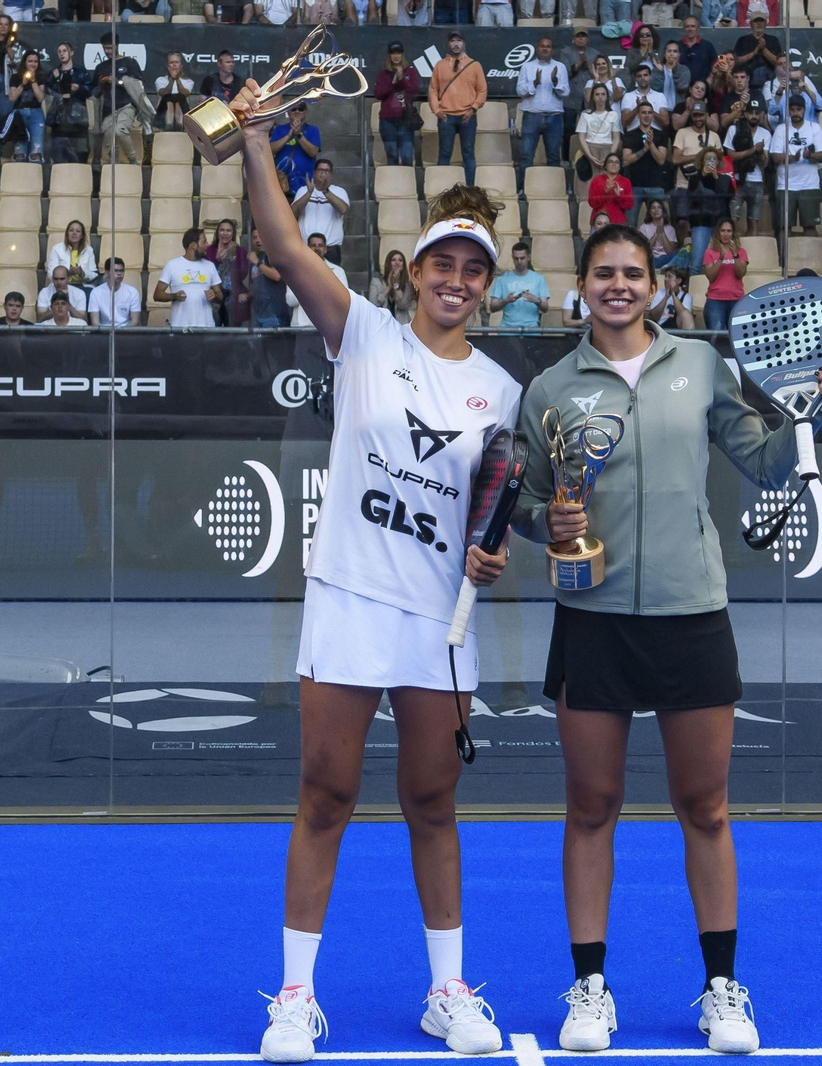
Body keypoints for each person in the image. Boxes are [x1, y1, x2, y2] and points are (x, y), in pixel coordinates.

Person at [228, 68, 522, 1063]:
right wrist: (256, 138)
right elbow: (281, 244)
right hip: (350, 601)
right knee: (326, 794)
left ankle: (447, 991)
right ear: (415, 269)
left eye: (472, 269)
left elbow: (494, 514)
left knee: (432, 803)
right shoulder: (363, 332)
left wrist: (491, 556)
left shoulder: (501, 392)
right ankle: (294, 997)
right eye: (443, 262)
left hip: (438, 622)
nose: (455, 279)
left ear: (487, 284)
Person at [510, 221, 822, 1056]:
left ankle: (721, 989)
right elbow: (524, 500)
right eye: (603, 273)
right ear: (581, 285)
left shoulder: (702, 365)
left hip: (692, 614)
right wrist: (546, 522)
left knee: (705, 807)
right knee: (591, 807)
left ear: (657, 285)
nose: (618, 286)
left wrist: (813, 409)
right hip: (592, 621)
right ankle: (591, 989)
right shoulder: (551, 388)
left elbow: (764, 460)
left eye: (632, 273)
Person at [430, 34, 484, 188]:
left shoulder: (474, 65)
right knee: (445, 152)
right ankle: (442, 188)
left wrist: (473, 109)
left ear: (464, 43)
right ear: (448, 43)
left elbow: (482, 90)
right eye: (452, 40)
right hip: (446, 117)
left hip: (467, 116)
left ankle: (470, 188)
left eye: (459, 40)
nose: (456, 44)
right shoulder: (440, 65)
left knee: (468, 153)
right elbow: (433, 89)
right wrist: (436, 110)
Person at [769, 96, 822, 241]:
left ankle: (810, 256)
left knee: (810, 226)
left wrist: (809, 155)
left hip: (810, 185)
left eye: (798, 109)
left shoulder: (814, 127)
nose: (795, 113)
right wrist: (792, 158)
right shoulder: (781, 129)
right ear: (788, 111)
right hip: (786, 185)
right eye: (792, 109)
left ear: (804, 110)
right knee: (784, 227)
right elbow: (775, 156)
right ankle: (782, 256)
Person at [92, 33, 147, 166]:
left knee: (120, 131)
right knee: (109, 137)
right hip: (108, 108)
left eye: (110, 48)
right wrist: (101, 84)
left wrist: (118, 82)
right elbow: (95, 92)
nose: (107, 51)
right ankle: (114, 165)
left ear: (117, 46)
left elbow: (139, 85)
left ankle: (133, 160)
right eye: (105, 48)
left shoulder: (129, 63)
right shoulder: (101, 67)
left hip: (127, 105)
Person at [153, 226, 224, 328]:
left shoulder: (210, 266)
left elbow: (220, 296)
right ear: (193, 245)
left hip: (206, 326)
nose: (207, 245)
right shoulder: (172, 265)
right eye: (204, 242)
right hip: (179, 326)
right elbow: (157, 295)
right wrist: (174, 296)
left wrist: (214, 296)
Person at [518, 38, 569, 173]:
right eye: (542, 46)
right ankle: (523, 185)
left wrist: (555, 81)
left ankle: (554, 186)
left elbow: (566, 92)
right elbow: (520, 90)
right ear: (537, 48)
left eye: (548, 46)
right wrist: (534, 83)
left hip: (554, 117)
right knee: (526, 156)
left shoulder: (560, 67)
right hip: (531, 116)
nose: (545, 48)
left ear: (552, 50)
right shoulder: (527, 67)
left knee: (553, 157)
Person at [622, 103, 672, 227]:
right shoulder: (630, 135)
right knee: (630, 225)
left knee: (658, 225)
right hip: (634, 185)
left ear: (653, 116)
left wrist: (651, 144)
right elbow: (626, 160)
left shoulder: (661, 135)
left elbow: (661, 160)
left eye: (650, 112)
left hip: (656, 185)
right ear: (638, 115)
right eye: (643, 112)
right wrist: (644, 150)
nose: (647, 115)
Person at [290, 160, 349, 266]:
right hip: (305, 247)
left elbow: (343, 209)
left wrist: (325, 191)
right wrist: (309, 193)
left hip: (330, 248)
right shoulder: (303, 190)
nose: (323, 174)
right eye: (320, 170)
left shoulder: (339, 191)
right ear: (314, 173)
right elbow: (293, 212)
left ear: (331, 175)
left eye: (327, 171)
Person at [683, 147, 732, 272]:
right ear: (702, 161)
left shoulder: (725, 179)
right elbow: (691, 198)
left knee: (724, 263)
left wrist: (716, 177)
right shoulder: (694, 179)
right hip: (701, 223)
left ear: (718, 162)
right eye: (708, 159)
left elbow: (726, 198)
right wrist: (702, 176)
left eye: (714, 159)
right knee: (696, 264)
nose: (711, 161)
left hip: (720, 224)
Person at [720, 110, 767, 237]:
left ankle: (752, 249)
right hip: (737, 179)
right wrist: (752, 150)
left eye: (757, 113)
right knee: (732, 219)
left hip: (757, 180)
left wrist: (760, 152)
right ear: (745, 114)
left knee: (753, 221)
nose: (754, 116)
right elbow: (730, 156)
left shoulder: (765, 133)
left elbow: (765, 163)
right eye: (751, 113)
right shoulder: (734, 129)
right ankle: (731, 246)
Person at [286, 233, 350, 327]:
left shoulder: (338, 272)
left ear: (325, 249)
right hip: (302, 327)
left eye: (320, 245)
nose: (317, 248)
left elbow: (344, 300)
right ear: (307, 249)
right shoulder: (296, 271)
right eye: (313, 245)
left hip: (329, 327)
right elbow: (290, 300)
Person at [375, 43, 421, 168]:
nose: (396, 56)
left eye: (398, 53)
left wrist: (402, 80)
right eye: (393, 53)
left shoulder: (410, 72)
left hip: (405, 119)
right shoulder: (383, 74)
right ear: (389, 55)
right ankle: (393, 179)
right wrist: (393, 82)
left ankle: (408, 179)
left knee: (407, 156)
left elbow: (414, 91)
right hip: (388, 120)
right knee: (392, 155)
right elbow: (378, 94)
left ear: (402, 54)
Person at [488, 240, 549, 330]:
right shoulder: (502, 279)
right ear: (512, 258)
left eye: (522, 258)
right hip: (507, 330)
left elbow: (545, 308)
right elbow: (492, 307)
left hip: (531, 330)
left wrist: (536, 301)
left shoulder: (539, 279)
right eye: (516, 258)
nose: (519, 261)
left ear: (529, 257)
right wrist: (506, 301)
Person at [701, 218, 746, 330]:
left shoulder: (741, 252)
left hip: (736, 300)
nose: (726, 234)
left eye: (729, 231)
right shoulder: (709, 252)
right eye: (723, 231)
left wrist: (735, 255)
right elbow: (711, 276)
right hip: (715, 300)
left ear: (733, 233)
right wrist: (721, 258)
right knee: (715, 337)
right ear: (718, 233)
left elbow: (741, 273)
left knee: (737, 336)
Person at [5, 50, 47, 162]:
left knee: (36, 154)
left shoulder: (41, 77)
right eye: (30, 61)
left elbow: (40, 97)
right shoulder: (15, 77)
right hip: (19, 114)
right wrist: (23, 84)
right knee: (20, 153)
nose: (33, 64)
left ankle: (36, 171)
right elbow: (12, 98)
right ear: (25, 62)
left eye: (35, 61)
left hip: (36, 114)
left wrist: (33, 81)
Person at [204, 217, 246, 327]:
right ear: (217, 232)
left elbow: (243, 274)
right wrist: (217, 258)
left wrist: (233, 257)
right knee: (214, 329)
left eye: (228, 230)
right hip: (214, 295)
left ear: (233, 233)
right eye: (222, 230)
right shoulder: (210, 249)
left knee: (232, 330)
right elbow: (206, 272)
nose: (225, 233)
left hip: (232, 296)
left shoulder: (240, 251)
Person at [575, 85, 620, 178]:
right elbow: (581, 138)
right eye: (597, 94)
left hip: (607, 149)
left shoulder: (613, 114)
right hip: (589, 149)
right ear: (593, 97)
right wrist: (590, 156)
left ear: (607, 97)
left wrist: (610, 157)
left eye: (603, 94)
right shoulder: (585, 114)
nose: (600, 97)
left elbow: (616, 138)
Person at [367, 248, 418, 324]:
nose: (397, 263)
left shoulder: (408, 285)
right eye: (393, 260)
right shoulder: (376, 282)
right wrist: (389, 287)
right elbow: (373, 304)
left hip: (401, 325)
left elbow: (403, 305)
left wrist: (396, 285)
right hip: (381, 324)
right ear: (388, 263)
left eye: (400, 260)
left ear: (403, 265)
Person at [88, 257, 142, 326]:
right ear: (107, 273)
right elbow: (95, 323)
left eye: (121, 271)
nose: (119, 273)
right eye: (115, 271)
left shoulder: (133, 292)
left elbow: (135, 321)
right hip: (104, 330)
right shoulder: (95, 292)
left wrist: (123, 331)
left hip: (127, 330)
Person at [48, 219, 99, 288]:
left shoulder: (89, 250)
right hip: (62, 286)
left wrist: (82, 273)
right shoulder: (56, 249)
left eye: (78, 231)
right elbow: (50, 274)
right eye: (71, 230)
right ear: (67, 234)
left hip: (83, 285)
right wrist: (67, 273)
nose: (74, 233)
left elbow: (94, 275)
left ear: (82, 235)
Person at [587, 153, 633, 228]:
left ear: (620, 166)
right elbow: (592, 203)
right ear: (605, 166)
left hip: (617, 224)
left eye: (616, 162)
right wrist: (605, 192)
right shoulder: (597, 180)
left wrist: (619, 196)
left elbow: (629, 205)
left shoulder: (626, 181)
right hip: (599, 223)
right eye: (611, 162)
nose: (614, 164)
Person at [621, 65, 667, 134]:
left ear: (650, 77)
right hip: (633, 135)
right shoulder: (628, 96)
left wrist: (648, 108)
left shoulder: (660, 96)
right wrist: (638, 108)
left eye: (645, 75)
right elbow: (624, 122)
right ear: (635, 79)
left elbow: (665, 122)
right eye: (639, 76)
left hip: (655, 134)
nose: (642, 78)